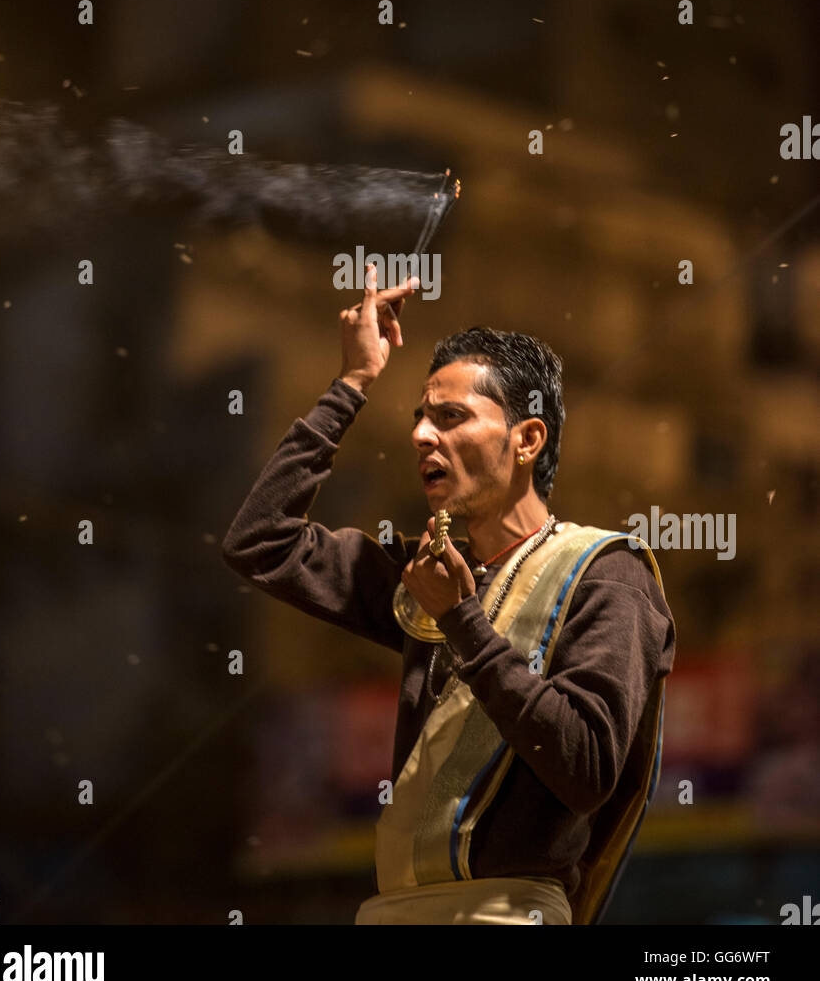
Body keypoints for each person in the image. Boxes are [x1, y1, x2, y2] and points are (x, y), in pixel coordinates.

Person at [221, 264, 676, 925]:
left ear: (527, 439)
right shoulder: (427, 574)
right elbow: (259, 541)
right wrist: (350, 383)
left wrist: (462, 621)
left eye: (451, 417)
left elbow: (584, 766)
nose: (420, 436)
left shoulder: (604, 572)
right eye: (419, 419)